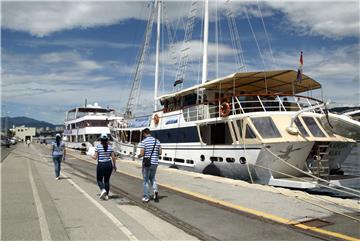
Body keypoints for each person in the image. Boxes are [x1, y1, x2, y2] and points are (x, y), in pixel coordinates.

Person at [138, 128, 161, 203]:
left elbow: (142, 154)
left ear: (144, 133)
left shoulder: (144, 142)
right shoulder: (157, 141)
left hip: (147, 164)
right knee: (153, 178)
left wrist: (139, 156)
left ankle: (146, 197)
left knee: (145, 180)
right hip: (155, 163)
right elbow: (160, 152)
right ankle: (155, 191)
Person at [92, 133, 117, 200]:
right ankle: (106, 195)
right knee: (107, 180)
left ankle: (103, 190)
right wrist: (114, 166)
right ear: (107, 140)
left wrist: (92, 155)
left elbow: (95, 157)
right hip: (109, 164)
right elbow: (113, 157)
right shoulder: (110, 147)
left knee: (99, 180)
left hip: (101, 164)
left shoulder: (98, 147)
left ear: (100, 140)